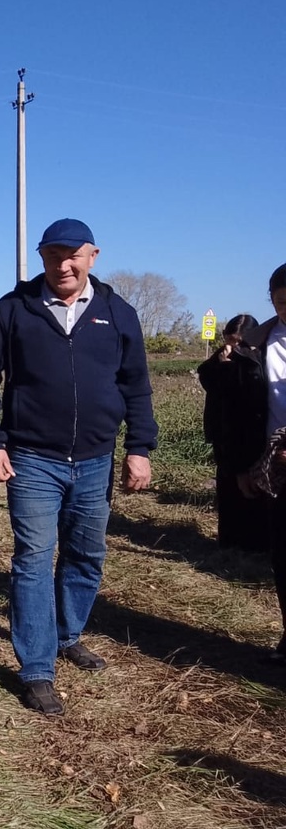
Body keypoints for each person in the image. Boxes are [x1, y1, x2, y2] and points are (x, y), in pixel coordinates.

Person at [0, 218, 157, 716]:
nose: (63, 264)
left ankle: (67, 634)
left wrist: (139, 447)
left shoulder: (117, 313)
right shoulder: (13, 309)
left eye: (73, 255)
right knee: (33, 558)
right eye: (53, 255)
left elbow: (136, 385)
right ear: (42, 258)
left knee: (86, 553)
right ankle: (37, 668)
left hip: (95, 460)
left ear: (93, 256)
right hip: (31, 459)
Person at [226, 264, 286, 661]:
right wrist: (242, 465)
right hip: (275, 465)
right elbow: (239, 413)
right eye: (281, 301)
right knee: (282, 554)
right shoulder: (254, 346)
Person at [197, 314, 271, 552]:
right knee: (228, 487)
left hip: (255, 433)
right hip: (225, 434)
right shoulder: (219, 360)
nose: (233, 347)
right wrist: (224, 367)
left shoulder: (260, 358)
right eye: (230, 340)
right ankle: (229, 543)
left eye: (239, 342)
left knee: (255, 489)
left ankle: (255, 545)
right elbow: (210, 382)